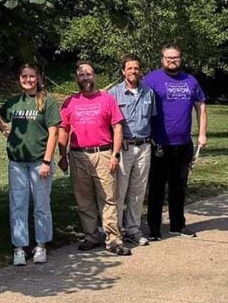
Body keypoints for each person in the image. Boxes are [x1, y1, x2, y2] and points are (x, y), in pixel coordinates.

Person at [57, 61, 131, 256]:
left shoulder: (107, 99)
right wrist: (62, 155)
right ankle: (91, 236)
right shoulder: (70, 102)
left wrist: (115, 154)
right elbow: (63, 129)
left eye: (88, 74)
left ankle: (114, 240)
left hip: (104, 154)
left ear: (94, 76)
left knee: (108, 198)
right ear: (77, 79)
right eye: (81, 75)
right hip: (78, 155)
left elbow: (117, 127)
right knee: (84, 200)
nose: (85, 78)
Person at [0, 64, 61, 266]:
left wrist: (47, 161)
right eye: (24, 76)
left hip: (39, 161)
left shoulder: (46, 101)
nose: (28, 79)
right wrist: (5, 130)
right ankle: (19, 247)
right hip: (17, 162)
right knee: (18, 204)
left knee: (41, 205)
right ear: (20, 78)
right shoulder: (15, 102)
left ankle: (41, 245)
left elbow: (54, 132)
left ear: (38, 78)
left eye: (32, 76)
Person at [144, 46, 208, 239]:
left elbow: (201, 106)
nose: (172, 60)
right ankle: (154, 229)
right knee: (156, 188)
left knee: (179, 187)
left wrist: (202, 133)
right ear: (162, 59)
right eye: (168, 57)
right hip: (159, 143)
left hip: (183, 144)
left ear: (181, 59)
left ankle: (177, 225)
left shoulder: (190, 80)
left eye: (176, 57)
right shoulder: (151, 79)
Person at [107, 57, 156, 247]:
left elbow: (152, 119)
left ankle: (133, 228)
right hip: (124, 147)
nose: (133, 71)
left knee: (138, 190)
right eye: (129, 68)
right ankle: (116, 230)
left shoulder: (148, 93)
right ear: (123, 71)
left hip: (144, 146)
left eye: (136, 68)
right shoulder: (114, 93)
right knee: (119, 190)